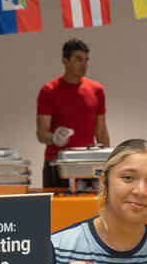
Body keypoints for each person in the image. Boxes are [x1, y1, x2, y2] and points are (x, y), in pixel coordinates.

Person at [36, 38, 110, 188]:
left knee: (92, 210)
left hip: (88, 164)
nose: (84, 65)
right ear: (65, 61)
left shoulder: (96, 89)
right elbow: (41, 133)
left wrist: (108, 163)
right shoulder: (49, 91)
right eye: (78, 59)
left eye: (86, 60)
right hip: (57, 164)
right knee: (59, 211)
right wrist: (54, 137)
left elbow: (101, 131)